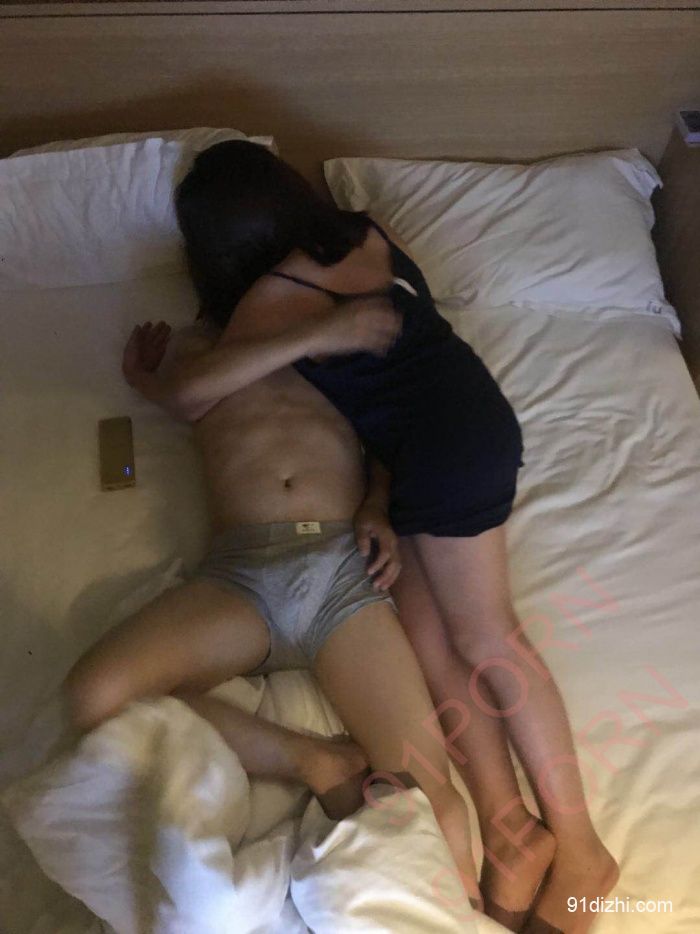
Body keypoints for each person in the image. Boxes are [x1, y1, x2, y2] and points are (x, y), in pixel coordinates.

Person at [174, 139, 619, 934]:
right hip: (448, 433)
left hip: (446, 451)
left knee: (489, 635)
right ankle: (511, 832)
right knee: (426, 637)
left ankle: (582, 848)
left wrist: (309, 335)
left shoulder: (274, 298)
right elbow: (401, 375)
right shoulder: (365, 234)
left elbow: (191, 392)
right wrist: (379, 498)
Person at [62, 297, 483, 906]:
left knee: (431, 797)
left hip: (343, 573)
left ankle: (463, 915)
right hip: (241, 579)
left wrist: (376, 503)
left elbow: (389, 433)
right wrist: (155, 384)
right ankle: (312, 760)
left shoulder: (352, 332)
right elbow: (185, 395)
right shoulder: (201, 347)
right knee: (94, 696)